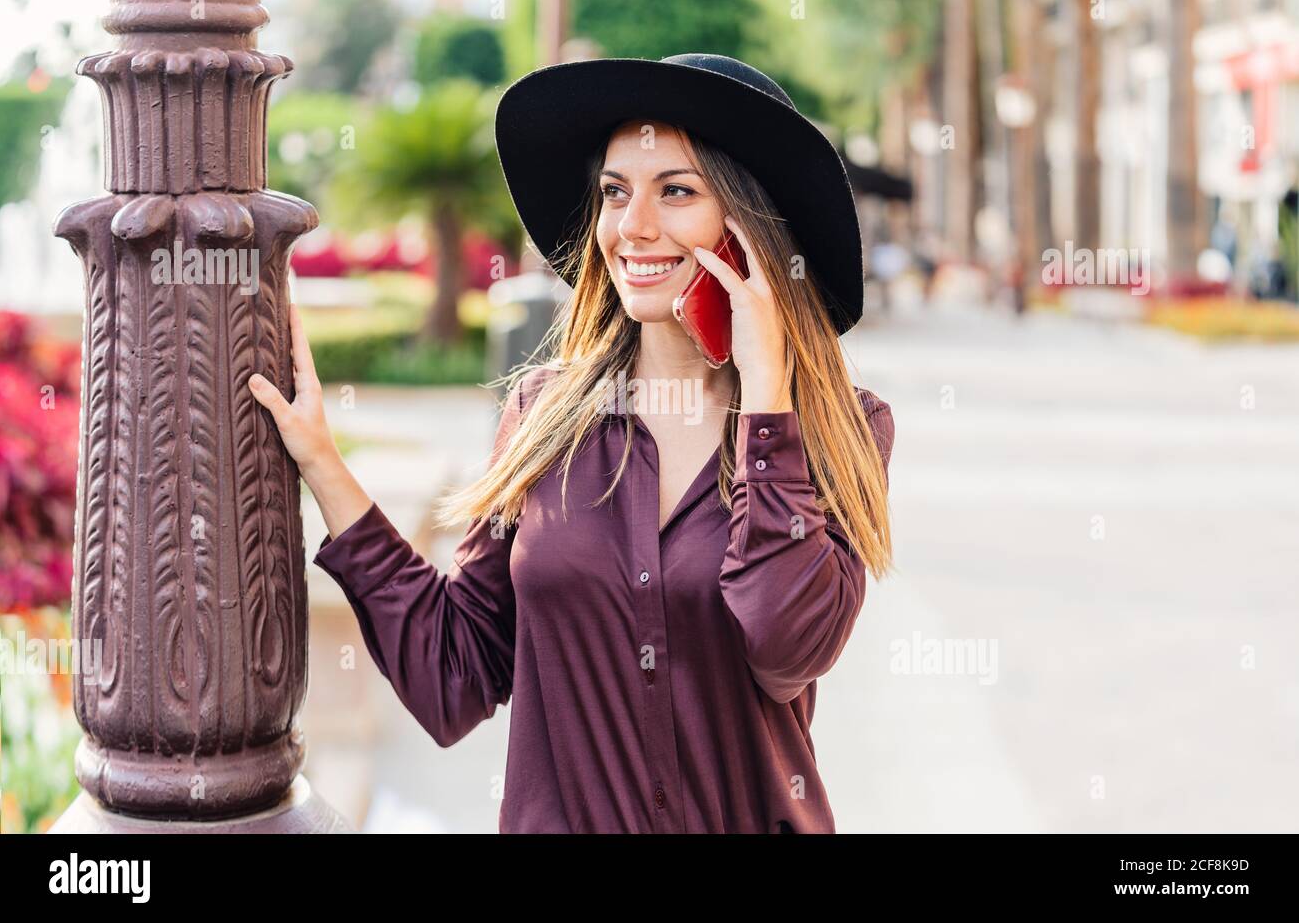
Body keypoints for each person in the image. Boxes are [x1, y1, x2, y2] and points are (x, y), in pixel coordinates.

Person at [249, 53, 895, 833]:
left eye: (678, 191)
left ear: (751, 227)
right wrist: (320, 457)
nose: (633, 227)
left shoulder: (838, 430)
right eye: (616, 193)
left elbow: (788, 647)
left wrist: (766, 405)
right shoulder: (545, 414)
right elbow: (455, 671)